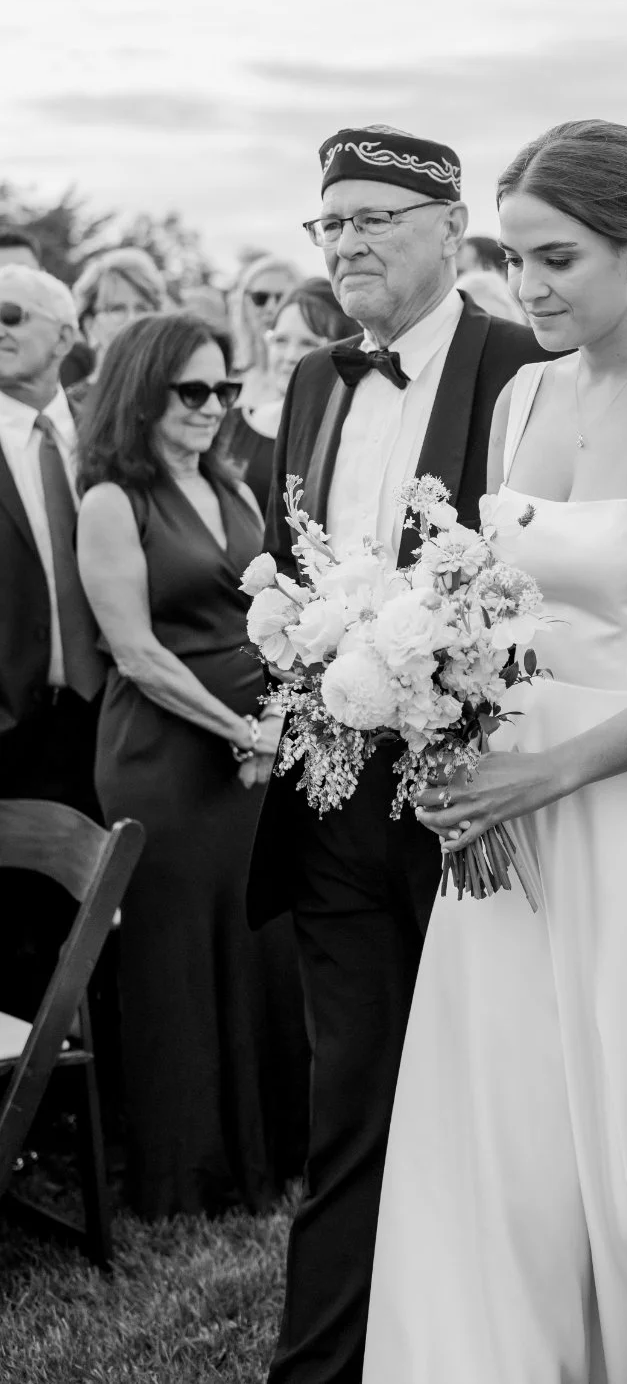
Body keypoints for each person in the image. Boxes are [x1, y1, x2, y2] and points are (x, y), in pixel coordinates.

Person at [363, 119, 627, 1384]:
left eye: (558, 259)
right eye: (515, 258)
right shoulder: (520, 396)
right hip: (505, 823)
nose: (529, 287)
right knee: (513, 1129)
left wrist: (545, 770)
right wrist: (437, 708)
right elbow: (489, 606)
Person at [247, 125, 543, 1384]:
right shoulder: (316, 380)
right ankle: (320, 1365)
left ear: (449, 225)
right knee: (351, 1096)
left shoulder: (527, 366)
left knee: (493, 1093)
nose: (349, 242)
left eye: (376, 217)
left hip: (479, 802)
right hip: (329, 809)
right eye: (333, 222)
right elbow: (287, 551)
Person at [76, 313, 308, 1218]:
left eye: (227, 390)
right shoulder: (112, 501)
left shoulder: (238, 487)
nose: (216, 409)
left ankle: (273, 1153)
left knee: (259, 945)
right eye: (194, 392)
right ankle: (188, 1173)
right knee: (179, 955)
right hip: (166, 757)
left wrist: (279, 722)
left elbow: (278, 618)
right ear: (143, 392)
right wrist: (237, 732)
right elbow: (133, 653)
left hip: (255, 747)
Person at [0, 263, 106, 1014]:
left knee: (103, 924)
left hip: (110, 715)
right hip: (10, 720)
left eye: (11, 313)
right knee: (13, 928)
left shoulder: (105, 430)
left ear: (66, 334)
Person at [220, 279, 358, 508]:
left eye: (308, 343)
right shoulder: (230, 424)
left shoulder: (351, 439)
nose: (290, 355)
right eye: (281, 340)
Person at [71, 248, 168, 387]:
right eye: (117, 309)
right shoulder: (70, 407)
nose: (132, 320)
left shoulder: (176, 398)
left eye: (142, 309)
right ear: (89, 324)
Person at [230, 255, 303, 410]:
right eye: (260, 298)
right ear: (244, 302)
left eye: (281, 297)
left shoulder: (304, 372)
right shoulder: (229, 371)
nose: (271, 308)